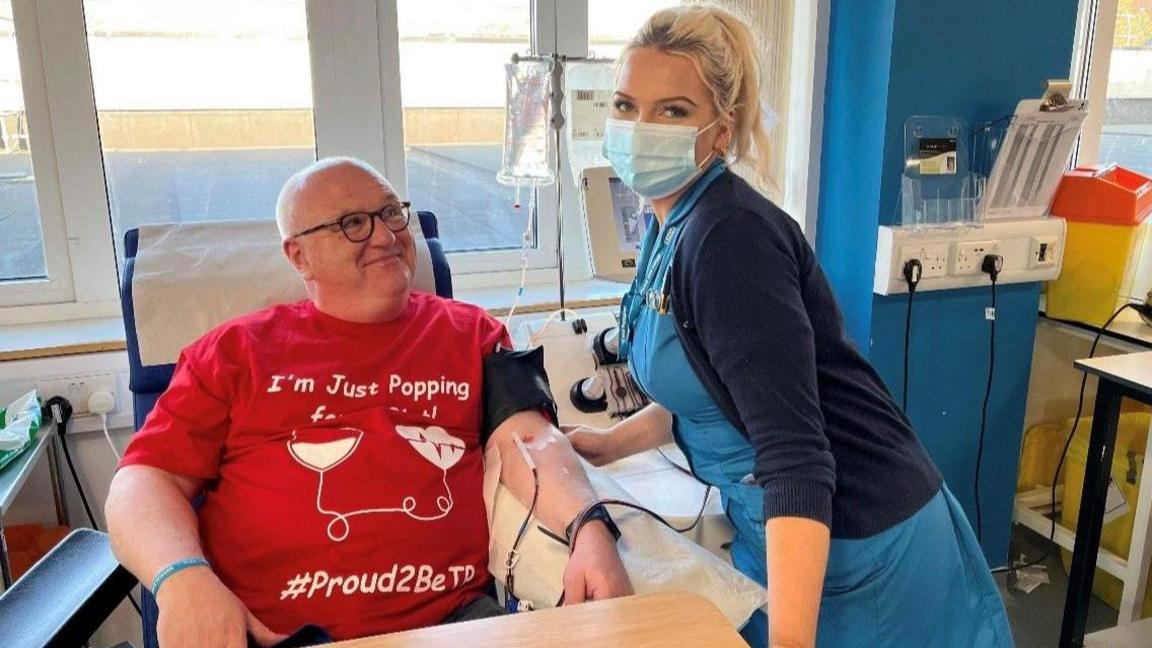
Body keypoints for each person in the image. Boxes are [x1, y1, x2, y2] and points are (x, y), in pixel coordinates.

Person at [564, 7, 1012, 647]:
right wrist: (613, 444)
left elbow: (795, 454)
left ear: (720, 132)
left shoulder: (729, 238)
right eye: (626, 104)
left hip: (854, 537)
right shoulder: (673, 224)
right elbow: (714, 387)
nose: (639, 127)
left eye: (672, 111)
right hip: (786, 531)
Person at [105, 158, 631, 646]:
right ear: (299, 254)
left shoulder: (472, 334)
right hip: (271, 634)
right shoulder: (233, 353)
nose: (385, 234)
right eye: (352, 223)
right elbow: (142, 481)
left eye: (390, 213)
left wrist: (588, 528)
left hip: (452, 627)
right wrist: (181, 576)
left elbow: (530, 440)